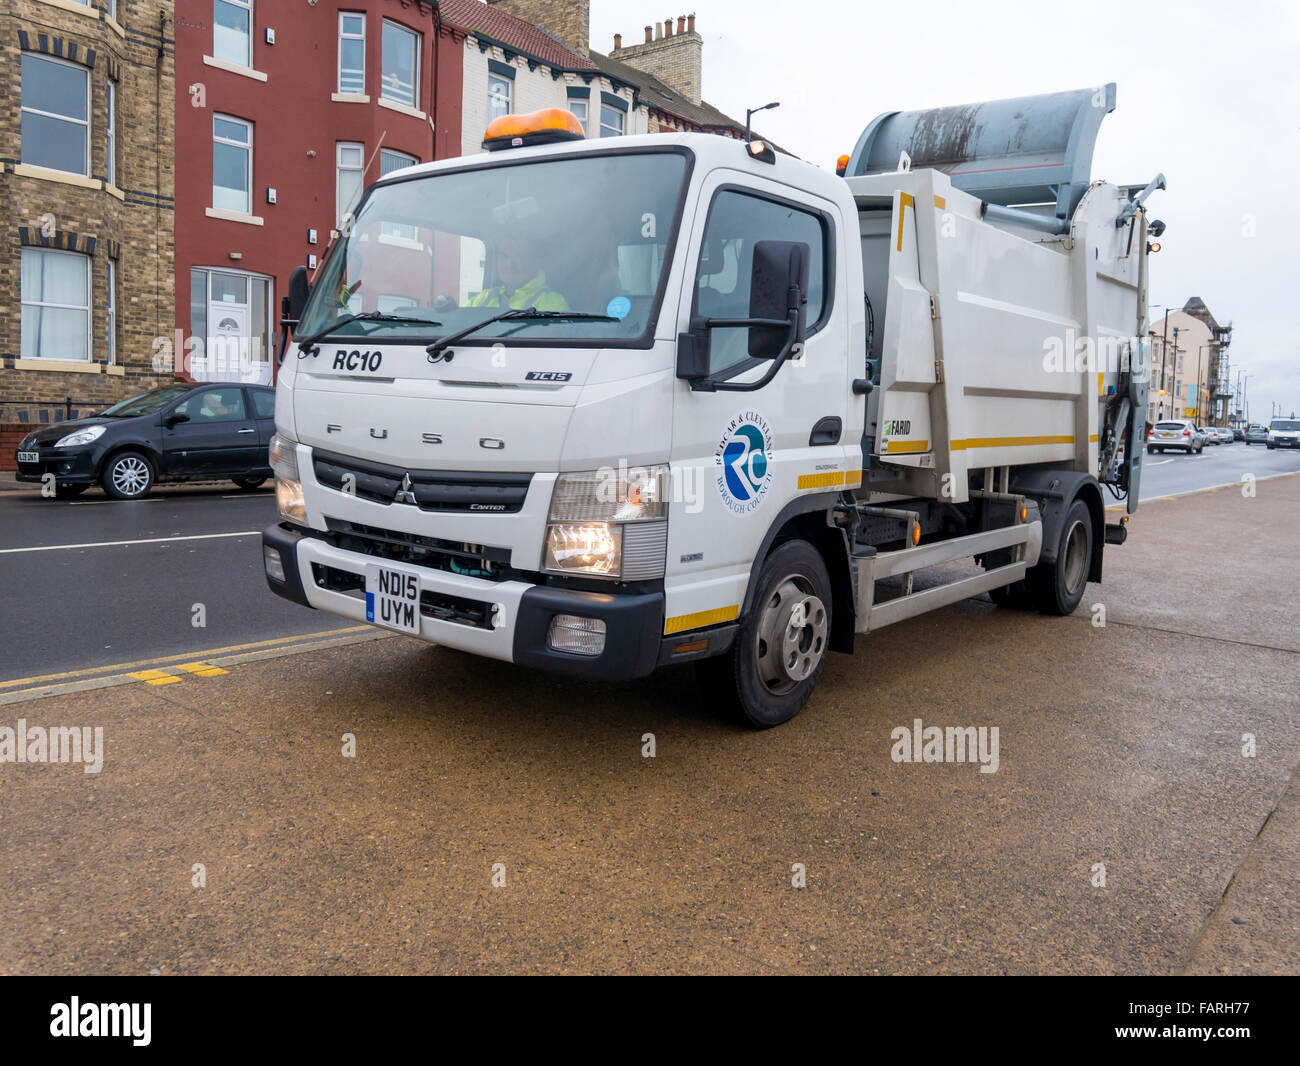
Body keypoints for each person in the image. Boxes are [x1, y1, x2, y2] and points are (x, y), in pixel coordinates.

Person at [467, 233, 569, 311]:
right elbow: (460, 322)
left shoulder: (552, 303)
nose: (510, 265)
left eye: (519, 257)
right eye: (504, 256)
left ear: (535, 263)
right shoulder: (484, 298)